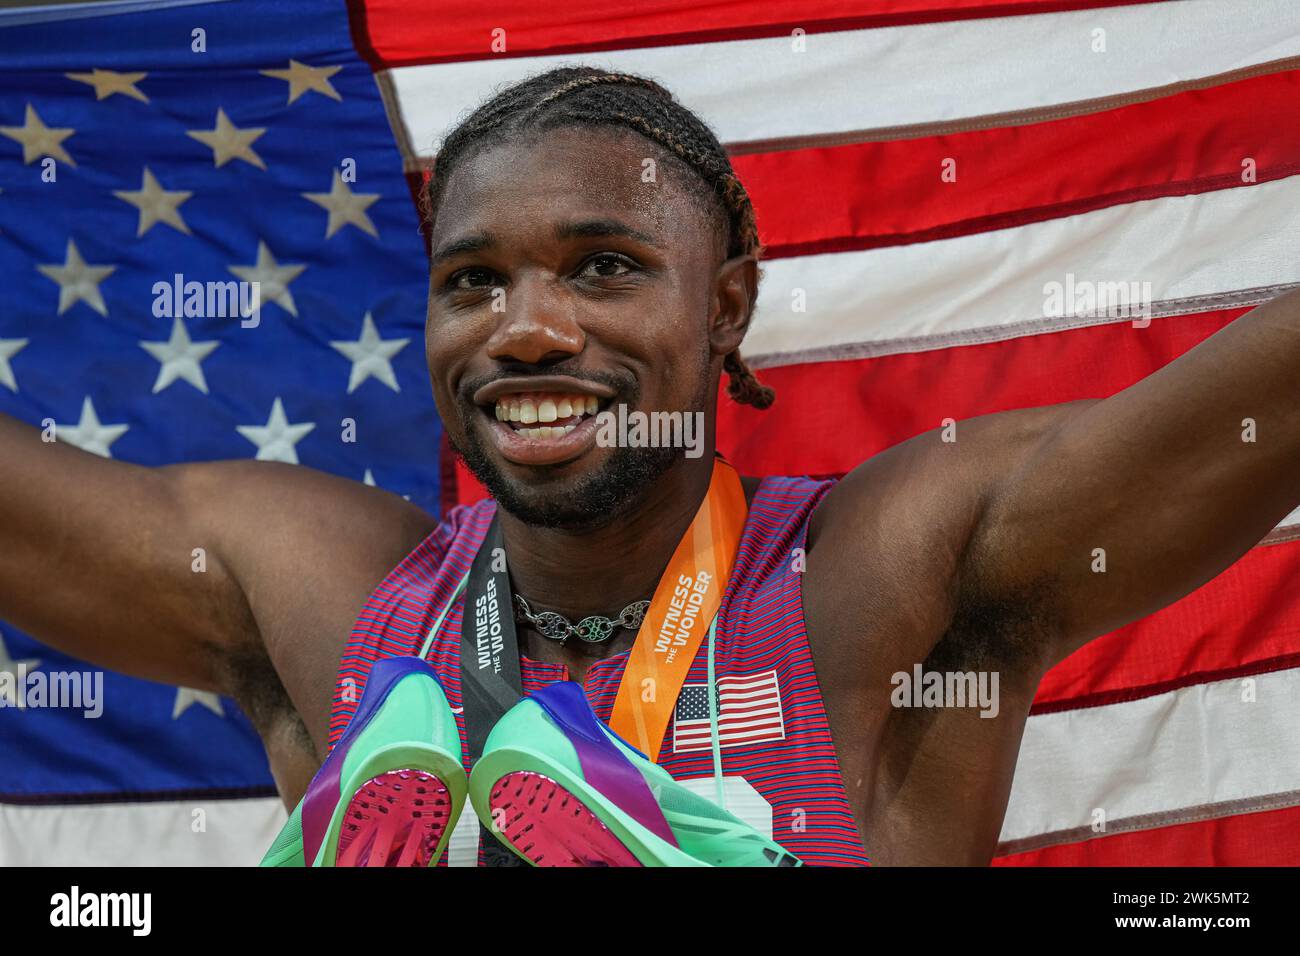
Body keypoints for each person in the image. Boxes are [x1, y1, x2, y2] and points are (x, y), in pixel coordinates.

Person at [3, 66, 1298, 866]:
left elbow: (1253, 405)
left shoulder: (875, 574)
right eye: (472, 283)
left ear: (726, 305)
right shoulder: (334, 591)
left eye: (603, 267)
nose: (526, 326)